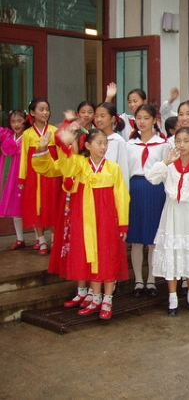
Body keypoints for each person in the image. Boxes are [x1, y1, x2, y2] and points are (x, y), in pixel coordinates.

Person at [37, 127, 129, 319]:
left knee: (108, 256)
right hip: (86, 220)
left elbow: (121, 197)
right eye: (99, 143)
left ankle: (107, 299)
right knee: (91, 257)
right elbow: (65, 164)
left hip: (106, 220)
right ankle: (95, 298)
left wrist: (122, 224)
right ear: (87, 146)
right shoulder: (80, 165)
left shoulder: (113, 168)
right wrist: (63, 143)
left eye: (105, 143)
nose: (103, 147)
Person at [146, 127, 189, 316]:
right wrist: (166, 161)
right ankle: (172, 298)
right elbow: (151, 178)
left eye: (186, 141)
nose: (181, 145)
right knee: (172, 254)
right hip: (172, 214)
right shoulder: (169, 166)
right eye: (178, 141)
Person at [126, 104, 170, 297]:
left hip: (155, 190)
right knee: (136, 239)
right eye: (139, 118)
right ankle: (138, 280)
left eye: (146, 118)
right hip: (134, 189)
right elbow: (125, 171)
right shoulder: (128, 145)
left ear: (154, 120)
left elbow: (167, 171)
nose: (142, 122)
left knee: (153, 239)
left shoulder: (162, 145)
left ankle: (151, 280)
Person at [18, 99, 62, 255]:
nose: (45, 113)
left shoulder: (55, 131)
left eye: (47, 110)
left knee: (53, 206)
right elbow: (24, 157)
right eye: (41, 110)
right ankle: (41, 241)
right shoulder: (27, 134)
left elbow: (60, 155)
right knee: (36, 207)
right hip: (33, 177)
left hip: (52, 177)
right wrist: (22, 178)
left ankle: (55, 240)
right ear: (32, 113)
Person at [0, 110, 26, 249]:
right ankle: (19, 239)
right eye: (13, 121)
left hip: (25, 175)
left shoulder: (28, 137)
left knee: (28, 206)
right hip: (11, 177)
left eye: (19, 121)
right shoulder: (8, 135)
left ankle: (39, 240)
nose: (16, 124)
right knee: (15, 206)